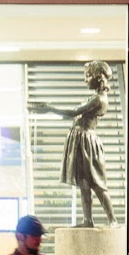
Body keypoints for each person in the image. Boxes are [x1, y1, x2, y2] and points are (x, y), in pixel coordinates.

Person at [29, 60, 118, 228]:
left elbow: (73, 112)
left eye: (88, 76)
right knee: (84, 183)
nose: (86, 80)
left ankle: (112, 219)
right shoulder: (94, 97)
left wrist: (50, 108)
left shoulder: (98, 99)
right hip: (79, 140)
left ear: (98, 77)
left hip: (86, 141)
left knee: (97, 183)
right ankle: (87, 220)